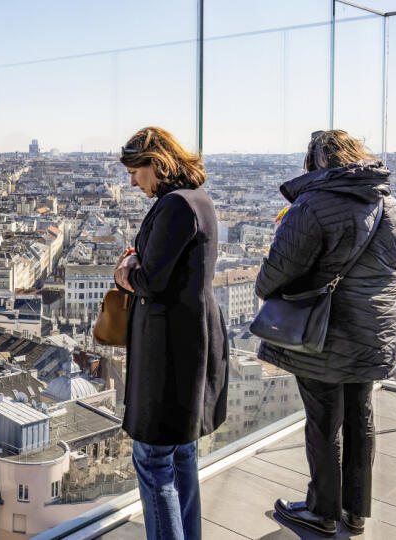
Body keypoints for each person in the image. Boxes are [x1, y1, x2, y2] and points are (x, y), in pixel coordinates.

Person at [256, 130, 396, 537]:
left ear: (316, 162)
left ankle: (322, 512)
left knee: (324, 422)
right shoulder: (392, 206)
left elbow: (276, 274)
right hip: (374, 328)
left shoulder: (313, 205)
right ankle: (356, 512)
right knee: (361, 416)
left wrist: (267, 282)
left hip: (323, 331)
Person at [115, 127, 229, 540]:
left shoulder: (175, 206)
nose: (132, 181)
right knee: (181, 454)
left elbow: (151, 281)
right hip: (192, 338)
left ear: (157, 164)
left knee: (152, 458)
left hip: (171, 347)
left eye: (135, 171)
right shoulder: (199, 200)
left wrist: (125, 272)